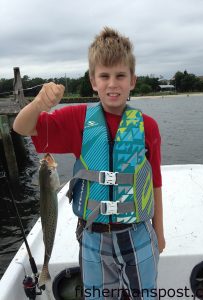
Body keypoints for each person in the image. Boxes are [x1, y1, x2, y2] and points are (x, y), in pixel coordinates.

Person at [13, 27, 165, 299]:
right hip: (93, 237)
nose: (112, 83)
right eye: (104, 76)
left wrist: (159, 231)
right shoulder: (76, 119)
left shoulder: (148, 127)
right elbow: (21, 127)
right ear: (93, 81)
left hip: (140, 233)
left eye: (120, 75)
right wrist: (38, 103)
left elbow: (155, 183)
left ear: (133, 80)